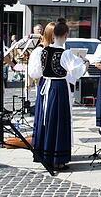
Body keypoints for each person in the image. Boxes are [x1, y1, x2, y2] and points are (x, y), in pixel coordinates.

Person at [31, 20, 89, 170]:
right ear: (65, 35)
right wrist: (86, 63)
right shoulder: (65, 53)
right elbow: (76, 71)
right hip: (59, 88)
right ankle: (58, 160)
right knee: (59, 122)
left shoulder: (43, 51)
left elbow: (36, 72)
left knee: (48, 120)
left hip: (46, 87)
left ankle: (46, 156)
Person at [28, 22, 56, 145]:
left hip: (55, 87)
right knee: (44, 116)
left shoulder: (56, 49)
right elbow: (34, 72)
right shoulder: (39, 50)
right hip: (45, 85)